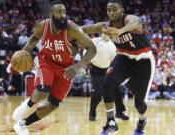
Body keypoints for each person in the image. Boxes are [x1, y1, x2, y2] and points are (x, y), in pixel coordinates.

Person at [12, 1, 96, 135]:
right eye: (59, 12)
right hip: (46, 61)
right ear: (51, 14)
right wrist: (24, 51)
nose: (63, 15)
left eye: (64, 12)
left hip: (66, 68)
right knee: (43, 91)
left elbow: (92, 48)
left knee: (52, 104)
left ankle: (22, 124)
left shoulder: (73, 29)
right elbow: (34, 38)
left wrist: (78, 66)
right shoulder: (42, 26)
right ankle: (27, 106)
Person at [82, 0, 156, 135]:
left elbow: (137, 22)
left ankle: (142, 120)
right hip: (124, 58)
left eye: (114, 9)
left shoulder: (129, 19)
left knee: (139, 104)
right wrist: (68, 30)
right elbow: (86, 28)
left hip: (144, 61)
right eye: (108, 10)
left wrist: (120, 31)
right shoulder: (106, 26)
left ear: (122, 10)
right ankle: (111, 123)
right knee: (107, 84)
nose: (111, 13)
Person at [87, 33, 129, 121]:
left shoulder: (113, 44)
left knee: (118, 91)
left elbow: (115, 59)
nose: (105, 33)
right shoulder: (94, 41)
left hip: (108, 71)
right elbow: (86, 52)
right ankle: (92, 112)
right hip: (96, 70)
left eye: (107, 31)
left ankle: (119, 112)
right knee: (97, 95)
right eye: (103, 31)